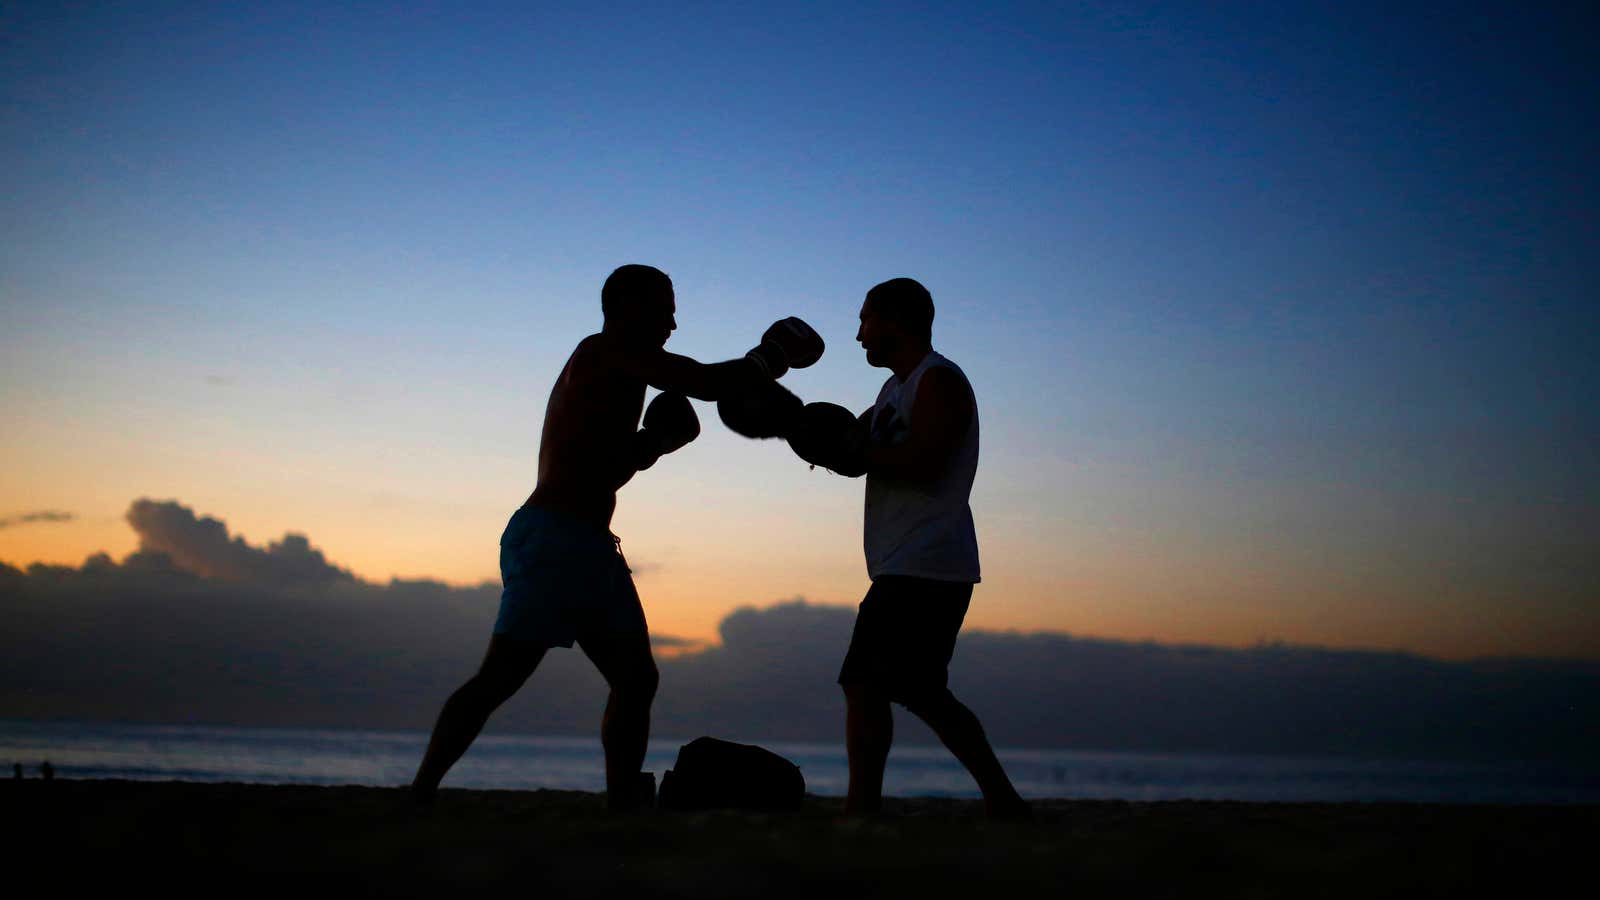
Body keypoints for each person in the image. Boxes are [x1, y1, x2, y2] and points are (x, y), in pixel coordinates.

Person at [412, 264, 823, 810]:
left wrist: (652, 444)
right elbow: (701, 381)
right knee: (499, 679)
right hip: (555, 538)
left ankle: (623, 801)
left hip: (588, 543)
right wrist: (770, 357)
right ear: (627, 306)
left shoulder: (618, 369)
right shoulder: (604, 349)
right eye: (665, 307)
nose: (674, 322)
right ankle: (419, 794)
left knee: (636, 678)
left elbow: (605, 467)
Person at [834, 277, 1029, 818]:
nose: (858, 335)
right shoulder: (892, 390)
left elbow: (927, 462)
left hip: (927, 563)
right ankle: (1005, 803)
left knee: (863, 681)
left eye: (865, 320)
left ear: (895, 320)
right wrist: (791, 421)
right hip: (912, 563)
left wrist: (857, 448)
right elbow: (850, 453)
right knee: (922, 691)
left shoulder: (938, 381)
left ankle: (861, 810)